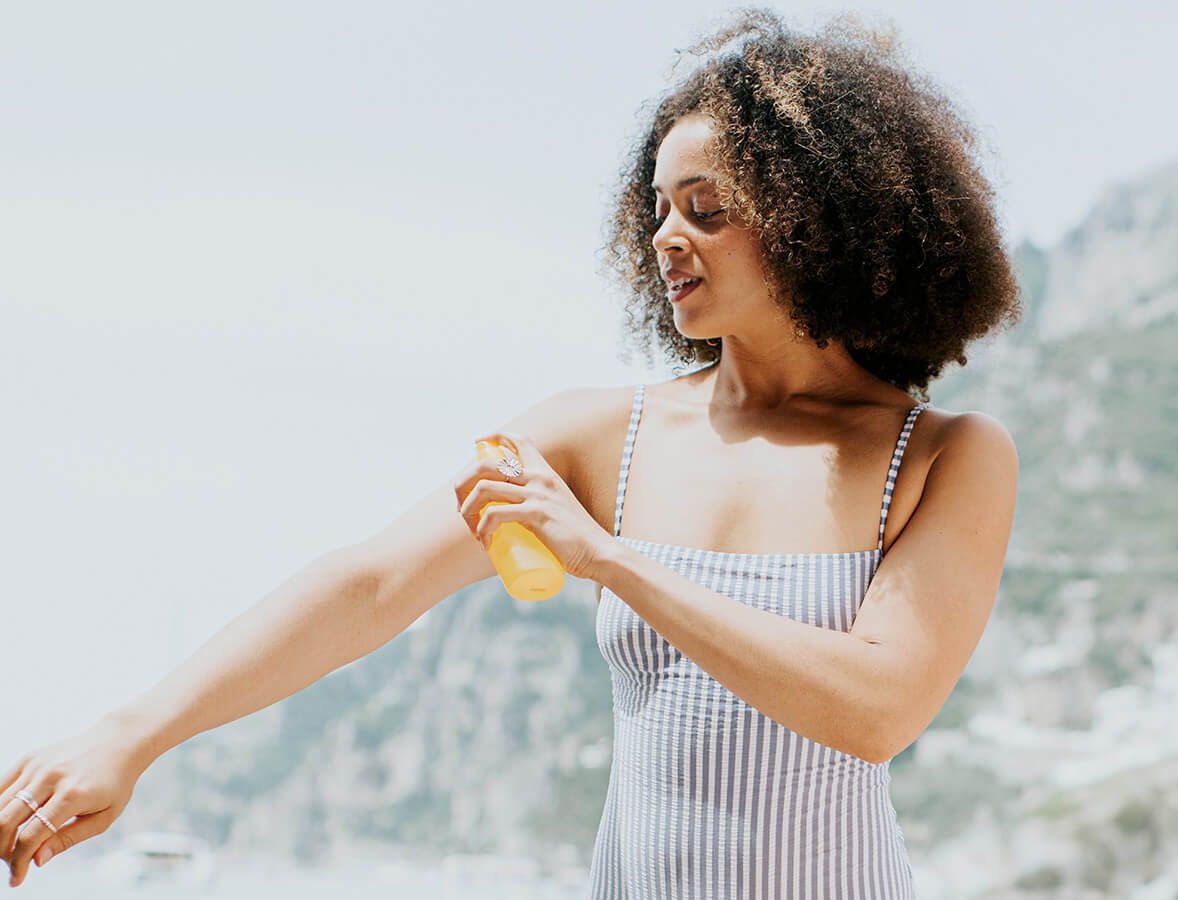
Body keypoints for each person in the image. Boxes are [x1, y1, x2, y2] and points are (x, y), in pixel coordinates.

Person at [1, 8, 1020, 895]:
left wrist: (612, 562)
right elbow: (369, 586)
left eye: (706, 208)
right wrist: (128, 737)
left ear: (820, 217)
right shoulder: (593, 434)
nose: (668, 235)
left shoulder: (944, 457)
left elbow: (875, 707)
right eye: (657, 208)